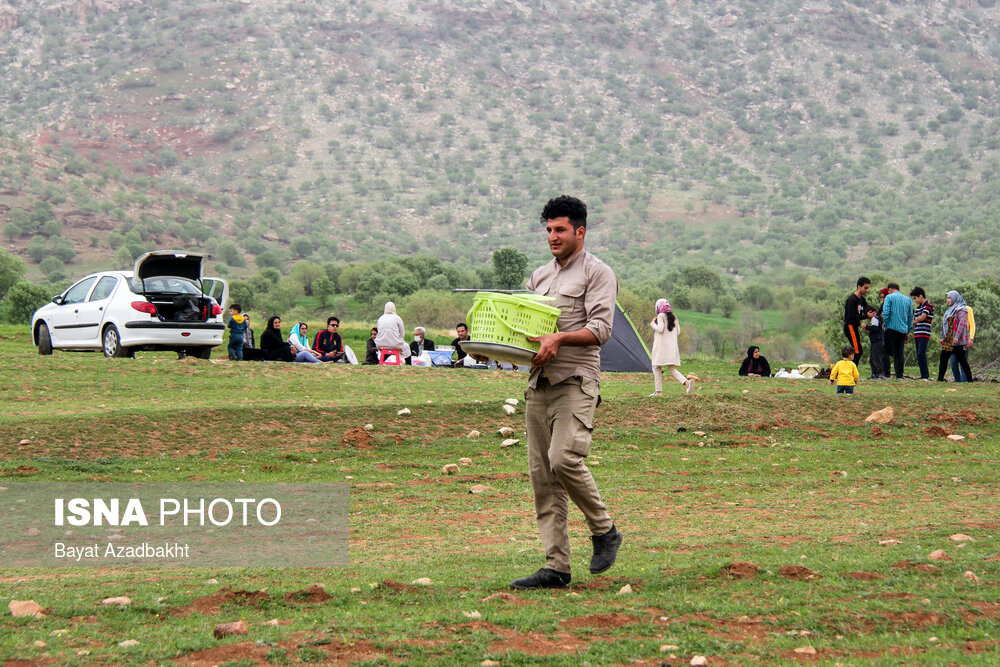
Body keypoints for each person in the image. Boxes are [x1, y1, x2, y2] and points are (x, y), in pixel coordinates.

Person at [510, 195, 621, 591]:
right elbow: (520, 327)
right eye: (548, 230)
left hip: (576, 381)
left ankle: (604, 530)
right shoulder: (539, 277)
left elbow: (602, 330)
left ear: (580, 231)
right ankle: (556, 567)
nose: (553, 237)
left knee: (563, 459)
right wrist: (490, 346)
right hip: (538, 384)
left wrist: (560, 338)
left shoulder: (598, 273)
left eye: (560, 230)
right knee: (542, 476)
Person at [648, 299, 692, 395]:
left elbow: (660, 329)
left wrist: (652, 324)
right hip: (672, 348)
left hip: (661, 348)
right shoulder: (674, 317)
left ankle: (658, 392)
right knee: (672, 369)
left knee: (656, 367)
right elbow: (678, 331)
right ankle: (686, 383)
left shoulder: (660, 316)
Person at [937, 290, 974, 383]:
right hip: (949, 339)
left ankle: (969, 380)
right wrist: (944, 338)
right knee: (943, 359)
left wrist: (957, 337)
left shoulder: (961, 309)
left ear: (954, 298)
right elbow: (947, 326)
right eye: (947, 298)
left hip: (957, 340)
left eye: (949, 298)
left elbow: (962, 324)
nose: (947, 300)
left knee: (962, 361)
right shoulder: (951, 310)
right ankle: (940, 379)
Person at [880, 283, 913, 379]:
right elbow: (910, 316)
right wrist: (908, 330)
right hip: (903, 330)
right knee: (899, 353)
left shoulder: (889, 297)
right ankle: (899, 375)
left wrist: (884, 324)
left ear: (889, 289)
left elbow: (886, 312)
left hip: (891, 328)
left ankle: (886, 374)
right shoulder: (908, 300)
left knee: (886, 351)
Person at [844, 277, 871, 365]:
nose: (867, 290)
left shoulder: (862, 299)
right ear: (859, 287)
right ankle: (851, 371)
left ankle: (851, 370)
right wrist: (866, 316)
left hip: (855, 327)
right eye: (865, 288)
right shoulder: (852, 300)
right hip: (850, 326)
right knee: (857, 351)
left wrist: (873, 315)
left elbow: (867, 310)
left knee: (858, 350)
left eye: (868, 288)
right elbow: (851, 316)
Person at [910, 287, 934, 381]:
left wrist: (916, 320)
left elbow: (922, 317)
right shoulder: (919, 307)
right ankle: (923, 374)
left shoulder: (928, 305)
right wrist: (915, 320)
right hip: (917, 333)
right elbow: (915, 319)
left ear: (921, 296)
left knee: (921, 354)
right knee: (919, 355)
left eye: (915, 298)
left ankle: (925, 376)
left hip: (924, 333)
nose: (915, 301)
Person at [951, 302, 975, 382]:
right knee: (953, 362)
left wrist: (971, 338)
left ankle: (964, 382)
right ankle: (957, 381)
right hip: (953, 341)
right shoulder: (951, 310)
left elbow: (972, 324)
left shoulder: (967, 309)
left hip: (964, 339)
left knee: (963, 362)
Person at [863, 305, 886, 380]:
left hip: (877, 341)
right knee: (873, 358)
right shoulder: (876, 319)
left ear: (874, 313)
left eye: (869, 312)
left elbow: (875, 328)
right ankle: (875, 373)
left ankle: (878, 373)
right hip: (876, 341)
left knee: (876, 358)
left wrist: (866, 327)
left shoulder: (875, 318)